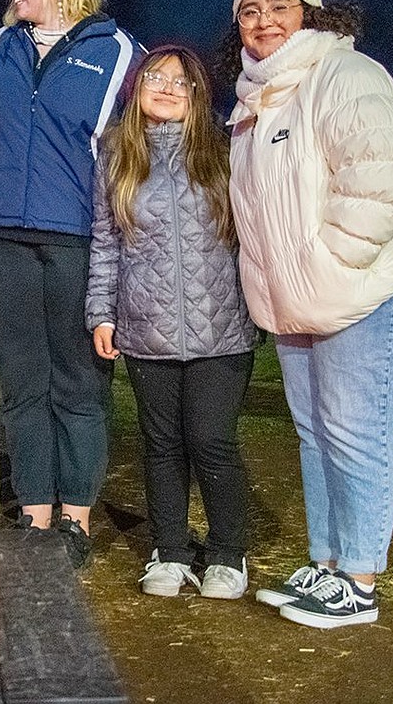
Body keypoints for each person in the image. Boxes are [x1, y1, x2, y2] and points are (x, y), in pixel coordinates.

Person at [223, 0, 393, 628]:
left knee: (355, 431)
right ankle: (326, 563)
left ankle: (359, 577)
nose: (264, 22)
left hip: (371, 288)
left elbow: (384, 180)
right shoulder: (252, 103)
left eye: (280, 7)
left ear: (310, 13)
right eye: (251, 10)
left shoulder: (344, 76)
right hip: (306, 302)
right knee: (316, 432)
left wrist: (330, 265)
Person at [0, 0, 143, 566]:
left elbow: (145, 140)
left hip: (76, 239)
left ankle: (76, 518)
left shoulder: (117, 50)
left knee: (78, 384)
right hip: (3, 238)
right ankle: (35, 517)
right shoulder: (3, 44)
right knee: (21, 385)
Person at [86, 45, 257, 598]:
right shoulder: (116, 155)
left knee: (210, 440)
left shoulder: (225, 151)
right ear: (137, 88)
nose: (166, 87)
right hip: (144, 327)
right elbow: (106, 242)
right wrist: (101, 312)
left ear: (197, 95)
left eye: (181, 82)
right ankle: (170, 550)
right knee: (160, 444)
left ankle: (228, 554)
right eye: (156, 77)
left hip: (222, 328)